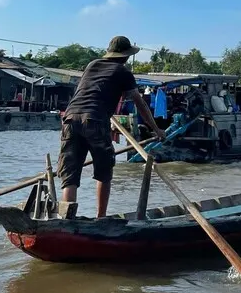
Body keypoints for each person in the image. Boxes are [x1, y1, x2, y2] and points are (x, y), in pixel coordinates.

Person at [57, 35, 165, 218]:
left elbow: (83, 93)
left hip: (70, 118)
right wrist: (156, 129)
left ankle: (66, 219)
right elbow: (140, 104)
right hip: (95, 120)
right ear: (125, 56)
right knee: (104, 171)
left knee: (70, 175)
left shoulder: (92, 65)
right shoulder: (122, 72)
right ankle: (101, 218)